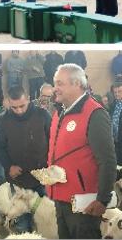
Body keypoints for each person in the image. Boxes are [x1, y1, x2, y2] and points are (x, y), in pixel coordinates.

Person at [48, 63, 117, 238]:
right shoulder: (59, 113)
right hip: (61, 199)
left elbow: (107, 161)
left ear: (77, 84)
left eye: (60, 83)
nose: (55, 88)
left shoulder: (94, 113)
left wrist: (102, 199)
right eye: (55, 83)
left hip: (84, 204)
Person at [0, 85, 50, 231]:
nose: (19, 111)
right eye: (14, 107)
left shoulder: (42, 115)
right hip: (18, 181)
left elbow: (54, 142)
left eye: (22, 106)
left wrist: (50, 167)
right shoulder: (4, 120)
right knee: (21, 224)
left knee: (47, 220)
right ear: (8, 103)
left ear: (29, 99)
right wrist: (9, 166)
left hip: (42, 178)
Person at [109, 81, 122, 165]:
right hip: (115, 142)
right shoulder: (112, 105)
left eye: (119, 91)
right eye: (115, 92)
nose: (117, 94)